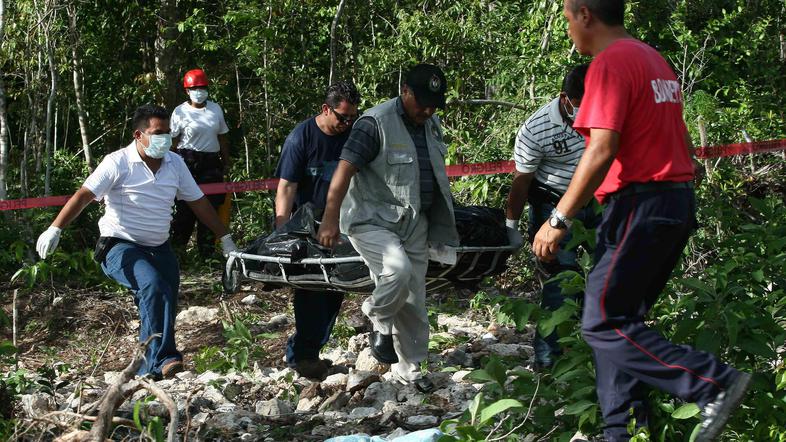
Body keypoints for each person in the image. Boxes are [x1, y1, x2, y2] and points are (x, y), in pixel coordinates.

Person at [532, 1, 751, 440]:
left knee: (602, 322)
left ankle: (712, 382)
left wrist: (558, 217)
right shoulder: (652, 59)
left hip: (640, 203)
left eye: (567, 19)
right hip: (672, 201)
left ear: (585, 15)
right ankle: (625, 431)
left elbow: (601, 149)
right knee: (620, 323)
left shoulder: (610, 63)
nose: (569, 29)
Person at [35, 104, 238, 379]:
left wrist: (224, 236)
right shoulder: (117, 162)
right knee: (152, 286)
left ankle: (156, 364)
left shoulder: (175, 163)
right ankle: (156, 362)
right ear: (138, 135)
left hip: (159, 246)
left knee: (166, 293)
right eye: (157, 133)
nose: (164, 138)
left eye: (167, 132)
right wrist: (55, 228)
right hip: (120, 245)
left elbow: (199, 202)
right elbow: (84, 194)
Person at [317, 64, 458, 393]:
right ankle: (376, 316)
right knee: (396, 271)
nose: (428, 109)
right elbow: (344, 170)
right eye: (422, 101)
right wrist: (330, 218)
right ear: (405, 91)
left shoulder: (430, 123)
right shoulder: (374, 123)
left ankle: (410, 371)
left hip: (414, 222)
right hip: (371, 219)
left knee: (414, 295)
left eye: (434, 103)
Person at [504, 64, 598, 369]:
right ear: (565, 99)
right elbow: (522, 181)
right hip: (554, 204)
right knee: (561, 280)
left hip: (599, 199)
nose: (585, 116)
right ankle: (547, 364)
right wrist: (510, 226)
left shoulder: (606, 114)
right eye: (580, 108)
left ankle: (598, 358)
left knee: (610, 274)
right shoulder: (537, 128)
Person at [273, 80, 361, 380]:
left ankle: (306, 348)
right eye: (342, 117)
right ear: (326, 109)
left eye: (352, 118)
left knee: (336, 290)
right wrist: (282, 232)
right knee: (311, 290)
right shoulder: (301, 138)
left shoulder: (352, 136)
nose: (346, 123)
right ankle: (305, 355)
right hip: (306, 227)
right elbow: (286, 187)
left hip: (342, 224)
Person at [170, 68, 231, 258]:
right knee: (185, 208)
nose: (199, 91)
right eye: (195, 87)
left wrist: (227, 162)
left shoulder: (215, 109)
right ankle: (178, 252)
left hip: (211, 164)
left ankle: (207, 253)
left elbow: (222, 138)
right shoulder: (180, 112)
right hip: (187, 161)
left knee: (211, 206)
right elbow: (172, 143)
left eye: (202, 87)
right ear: (187, 90)